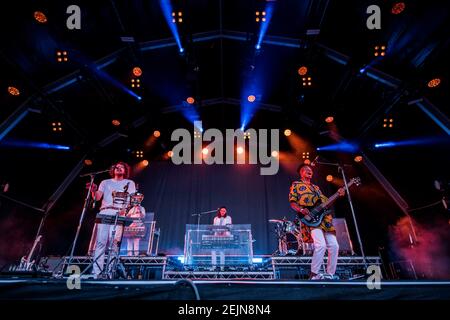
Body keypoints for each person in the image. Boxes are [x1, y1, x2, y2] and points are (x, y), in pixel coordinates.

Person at [289, 164, 345, 280]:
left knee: (334, 246)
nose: (309, 171)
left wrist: (338, 195)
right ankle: (314, 274)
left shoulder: (316, 188)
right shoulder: (296, 185)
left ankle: (330, 274)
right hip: (311, 218)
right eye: (306, 170)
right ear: (301, 173)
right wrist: (301, 209)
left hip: (325, 220)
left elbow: (325, 203)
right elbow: (293, 202)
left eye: (311, 170)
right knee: (321, 245)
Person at [87, 161, 136, 278]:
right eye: (116, 167)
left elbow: (132, 199)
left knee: (114, 243)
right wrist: (93, 190)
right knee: (100, 243)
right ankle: (97, 273)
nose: (118, 168)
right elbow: (97, 197)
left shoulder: (129, 183)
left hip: (118, 212)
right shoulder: (105, 182)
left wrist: (125, 210)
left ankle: (110, 272)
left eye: (121, 167)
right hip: (104, 211)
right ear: (112, 170)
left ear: (125, 170)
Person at [211, 206, 232, 271]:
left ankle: (222, 267)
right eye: (221, 210)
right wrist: (217, 232)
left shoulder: (228, 218)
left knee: (222, 251)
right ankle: (214, 267)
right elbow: (214, 227)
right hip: (217, 236)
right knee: (213, 251)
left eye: (224, 211)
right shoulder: (216, 218)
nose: (222, 212)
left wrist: (224, 232)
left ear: (226, 212)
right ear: (219, 211)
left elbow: (229, 227)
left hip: (225, 236)